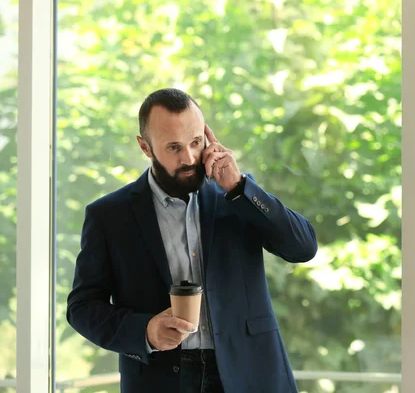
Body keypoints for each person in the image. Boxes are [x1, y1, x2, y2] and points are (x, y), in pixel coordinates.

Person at [66, 88, 318, 393]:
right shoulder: (109, 215)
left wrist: (240, 187)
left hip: (251, 373)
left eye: (196, 142)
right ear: (145, 147)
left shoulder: (237, 196)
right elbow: (82, 307)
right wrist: (145, 331)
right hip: (159, 378)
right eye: (173, 147)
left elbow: (303, 247)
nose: (188, 157)